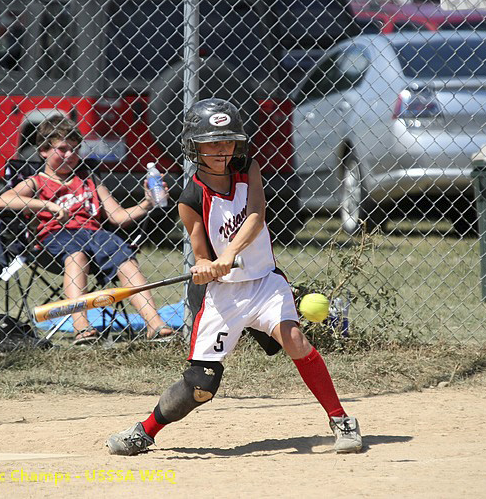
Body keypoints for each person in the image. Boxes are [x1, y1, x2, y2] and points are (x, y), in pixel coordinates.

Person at [106, 98, 362, 455]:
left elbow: (256, 214)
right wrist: (203, 266)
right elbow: (199, 252)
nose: (221, 150)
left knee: (294, 339)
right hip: (222, 296)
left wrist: (229, 253)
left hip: (264, 282)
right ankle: (144, 431)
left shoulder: (247, 168)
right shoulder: (191, 195)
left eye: (227, 141)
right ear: (193, 146)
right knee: (200, 387)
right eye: (211, 143)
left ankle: (341, 420)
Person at [0, 116, 174, 343]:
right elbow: (4, 200)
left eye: (74, 149)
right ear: (43, 151)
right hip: (56, 237)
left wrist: (147, 204)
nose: (69, 155)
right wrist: (48, 205)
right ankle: (81, 327)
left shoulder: (89, 178)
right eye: (62, 149)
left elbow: (117, 216)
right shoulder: (36, 181)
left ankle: (155, 324)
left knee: (124, 257)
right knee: (77, 256)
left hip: (95, 235)